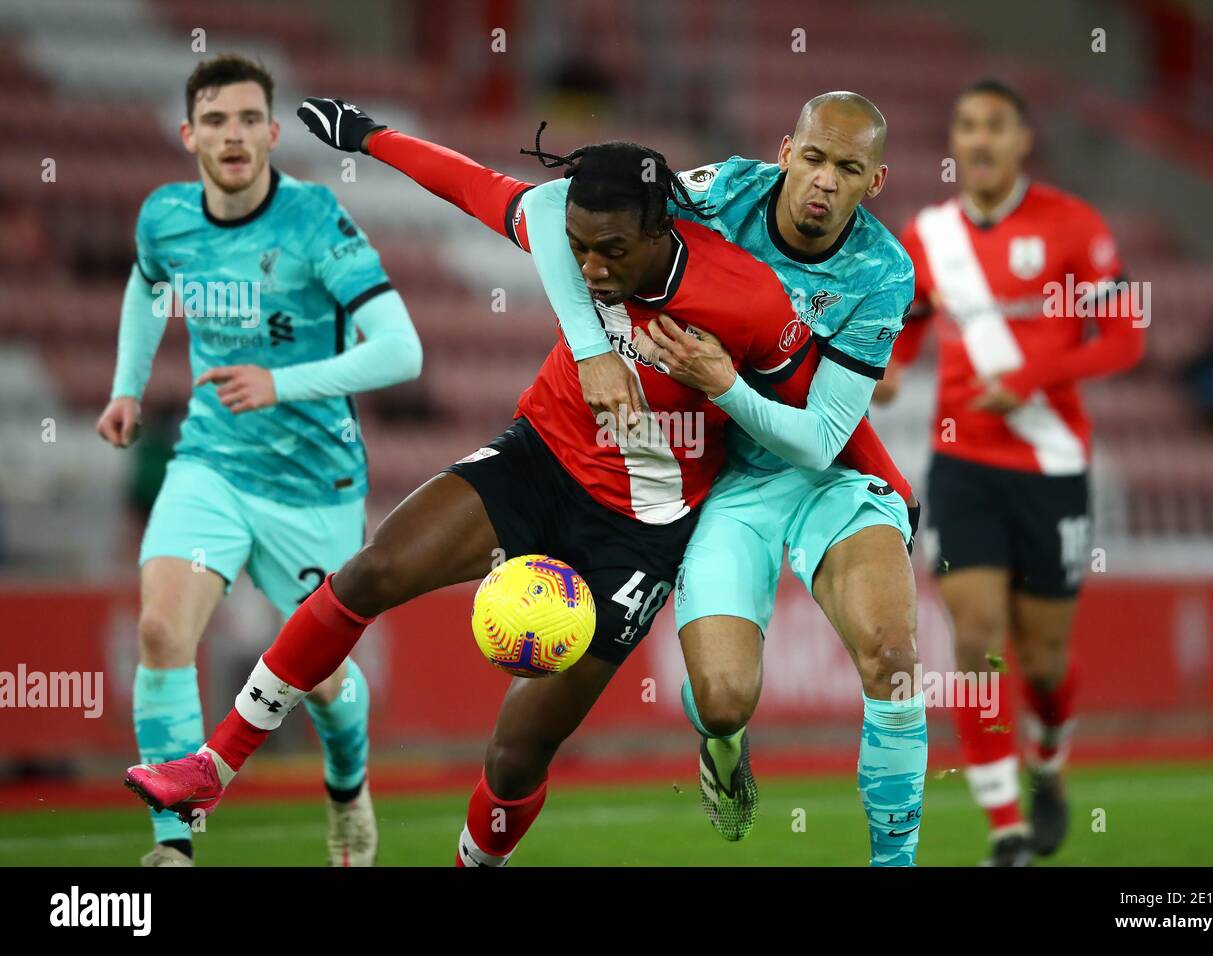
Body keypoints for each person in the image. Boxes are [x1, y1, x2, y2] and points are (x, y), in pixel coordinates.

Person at [124, 97, 911, 867]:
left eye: (610, 252)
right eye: (578, 249)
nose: (590, 267)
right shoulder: (601, 227)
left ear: (659, 233)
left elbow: (821, 419)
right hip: (540, 460)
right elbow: (476, 187)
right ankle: (211, 769)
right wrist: (371, 136)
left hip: (641, 530)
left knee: (517, 756)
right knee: (373, 570)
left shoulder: (751, 300)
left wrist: (876, 474)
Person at [521, 91, 925, 865]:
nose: (824, 182)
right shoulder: (720, 190)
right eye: (812, 158)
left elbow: (823, 440)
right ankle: (723, 742)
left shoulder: (882, 271)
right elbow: (547, 204)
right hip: (730, 486)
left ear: (874, 182)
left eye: (848, 168)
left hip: (826, 480)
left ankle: (894, 861)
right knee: (723, 699)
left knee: (893, 658)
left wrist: (723, 386)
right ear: (784, 152)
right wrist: (590, 349)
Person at [97, 56, 422, 866]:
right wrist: (127, 389)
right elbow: (146, 287)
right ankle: (175, 843)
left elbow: (402, 351)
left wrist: (281, 383)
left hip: (316, 482)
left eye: (248, 119)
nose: (232, 135)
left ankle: (348, 785)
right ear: (188, 135)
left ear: (274, 134)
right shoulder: (165, 218)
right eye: (215, 120)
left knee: (325, 688)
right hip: (210, 462)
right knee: (161, 629)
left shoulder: (316, 221)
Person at [878, 79, 1145, 865]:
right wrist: (891, 368)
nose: (981, 138)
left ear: (1023, 140)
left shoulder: (1073, 225)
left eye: (996, 125)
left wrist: (1031, 378)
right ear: (955, 143)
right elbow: (914, 322)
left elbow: (1126, 337)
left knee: (1045, 659)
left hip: (1052, 463)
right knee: (977, 644)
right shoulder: (929, 234)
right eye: (967, 125)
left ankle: (1051, 764)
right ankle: (1006, 829)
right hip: (962, 465)